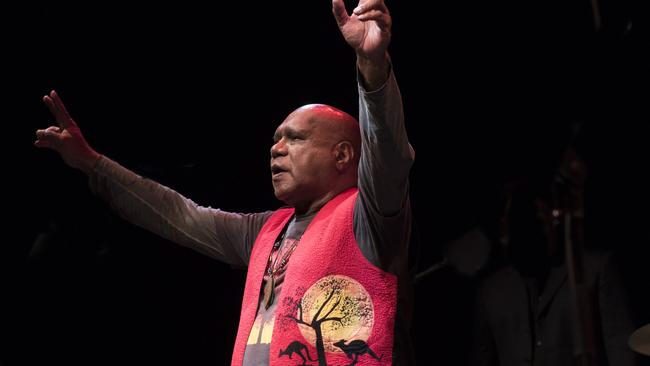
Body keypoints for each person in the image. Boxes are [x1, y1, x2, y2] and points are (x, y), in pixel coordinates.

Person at [34, 0, 415, 364]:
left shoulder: (371, 216)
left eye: (295, 138)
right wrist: (92, 163)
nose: (276, 150)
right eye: (275, 140)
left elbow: (388, 151)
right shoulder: (265, 232)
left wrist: (372, 64)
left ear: (343, 155)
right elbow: (178, 215)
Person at [470, 141, 638, 366]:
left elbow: (623, 354)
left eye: (537, 222)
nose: (529, 234)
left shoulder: (597, 269)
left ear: (553, 219)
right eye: (520, 225)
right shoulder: (490, 292)